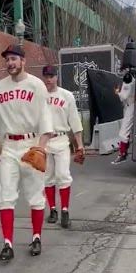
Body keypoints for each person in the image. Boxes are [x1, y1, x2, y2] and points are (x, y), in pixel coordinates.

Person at [0, 45, 53, 261]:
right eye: (7, 60)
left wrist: (41, 147)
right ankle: (7, 243)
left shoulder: (36, 85)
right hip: (9, 146)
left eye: (14, 59)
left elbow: (45, 119)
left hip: (31, 143)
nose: (10, 63)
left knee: (35, 196)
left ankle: (36, 237)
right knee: (6, 196)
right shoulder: (0, 88)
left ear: (23, 61)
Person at [41, 65, 84, 228]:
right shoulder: (39, 96)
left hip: (61, 139)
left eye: (51, 76)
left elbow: (74, 121)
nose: (48, 79)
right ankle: (52, 209)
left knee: (63, 175)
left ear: (56, 77)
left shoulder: (67, 96)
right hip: (44, 141)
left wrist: (79, 145)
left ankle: (65, 210)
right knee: (47, 177)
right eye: (46, 76)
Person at [113, 68, 136, 163]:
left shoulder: (128, 78)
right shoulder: (132, 78)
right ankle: (124, 152)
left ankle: (122, 154)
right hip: (129, 106)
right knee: (127, 132)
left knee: (123, 132)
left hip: (130, 106)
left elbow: (123, 97)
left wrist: (117, 92)